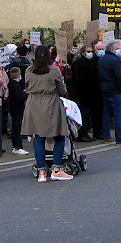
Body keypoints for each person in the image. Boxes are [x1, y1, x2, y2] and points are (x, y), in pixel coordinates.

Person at [21, 45, 72, 182]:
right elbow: (61, 89)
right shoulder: (54, 70)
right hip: (50, 102)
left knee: (39, 138)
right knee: (59, 136)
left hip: (34, 104)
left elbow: (26, 86)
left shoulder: (28, 71)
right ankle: (56, 169)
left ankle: (41, 171)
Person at [97, 40, 121, 146]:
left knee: (106, 114)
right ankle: (119, 138)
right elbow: (120, 77)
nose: (118, 51)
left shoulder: (101, 60)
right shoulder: (115, 61)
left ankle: (106, 136)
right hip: (115, 90)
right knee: (117, 115)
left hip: (104, 89)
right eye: (117, 49)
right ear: (113, 50)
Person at [70, 44, 95, 141]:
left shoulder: (86, 62)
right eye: (88, 51)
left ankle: (84, 133)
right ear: (83, 52)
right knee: (82, 115)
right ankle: (82, 134)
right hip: (82, 94)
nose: (90, 53)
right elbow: (80, 80)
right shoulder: (81, 63)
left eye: (91, 51)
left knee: (85, 115)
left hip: (84, 93)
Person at [8, 66, 28, 155]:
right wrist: (26, 94)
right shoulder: (15, 86)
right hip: (17, 110)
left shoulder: (11, 84)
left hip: (14, 109)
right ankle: (17, 146)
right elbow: (20, 98)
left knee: (16, 128)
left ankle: (16, 146)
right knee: (17, 128)